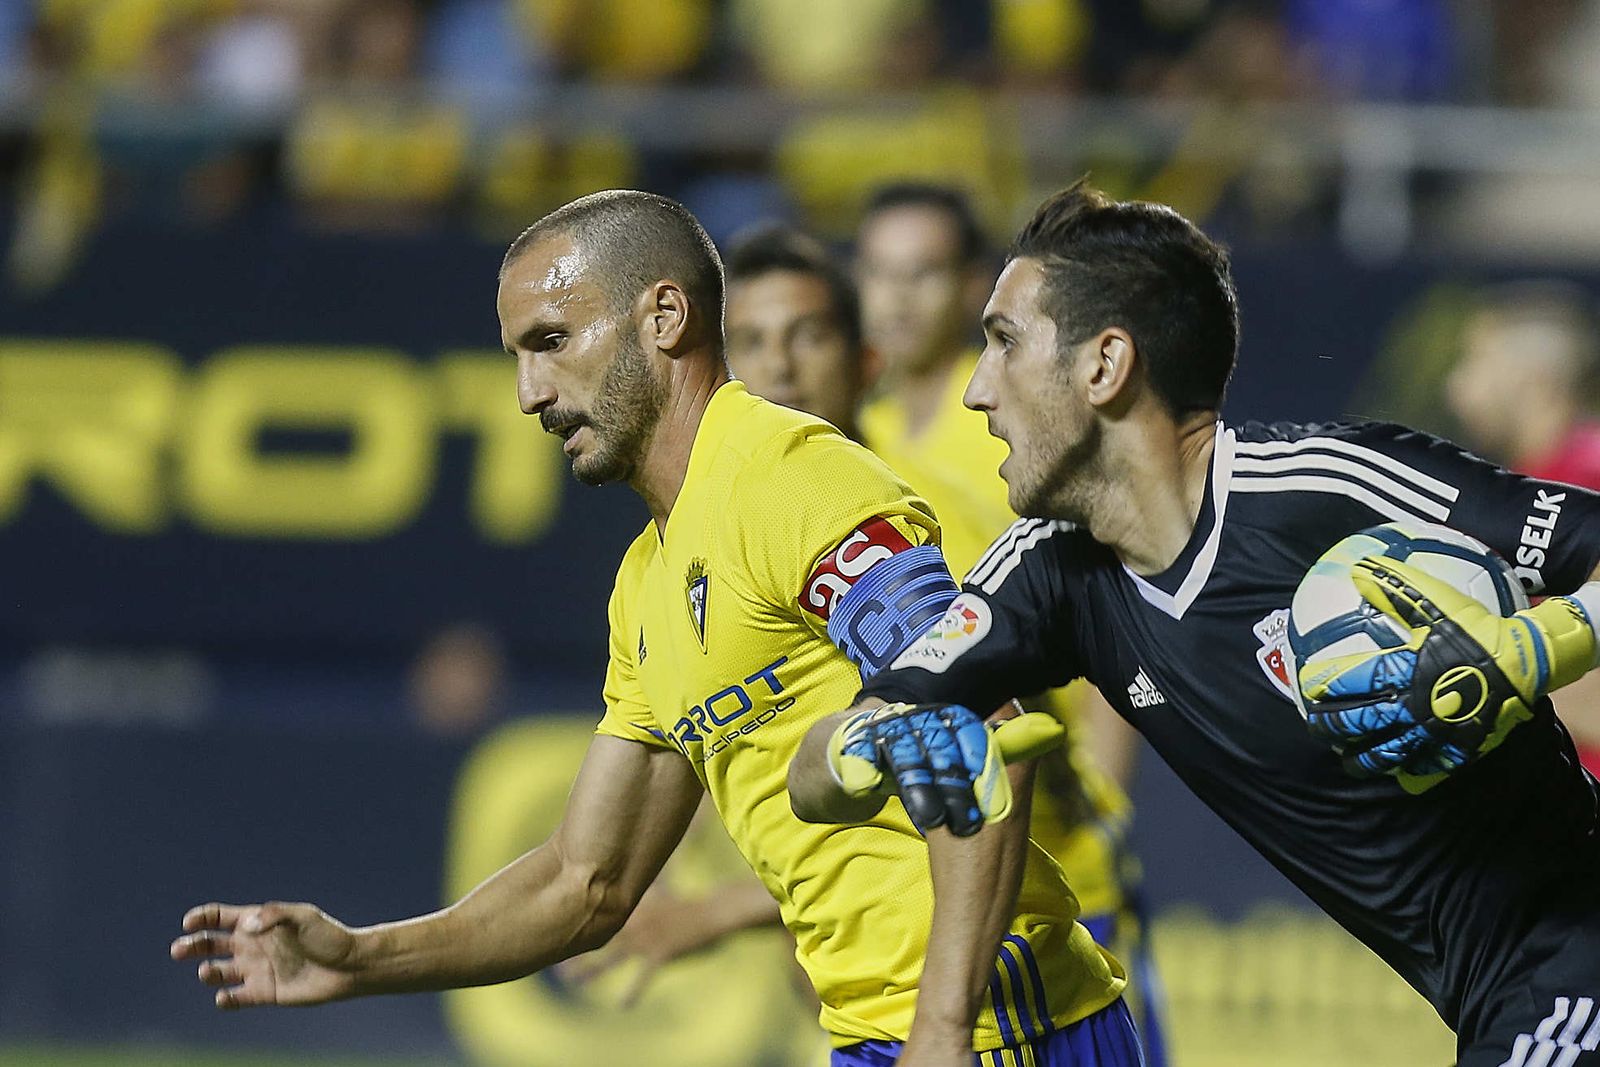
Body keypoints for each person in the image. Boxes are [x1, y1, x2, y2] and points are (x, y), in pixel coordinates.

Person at [169, 190, 1141, 1067]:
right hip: (885, 1031)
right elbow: (584, 881)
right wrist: (357, 957)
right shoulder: (648, 581)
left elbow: (976, 733)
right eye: (516, 355)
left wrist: (940, 1030)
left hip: (1000, 1027)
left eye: (552, 340)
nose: (530, 392)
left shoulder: (788, 476)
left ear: (664, 316)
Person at [789, 180, 1600, 1067]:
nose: (978, 389)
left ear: (1104, 366)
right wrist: (867, 745)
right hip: (1493, 996)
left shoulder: (1328, 486)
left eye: (1005, 342)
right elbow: (819, 770)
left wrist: (1535, 646)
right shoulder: (1048, 573)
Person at [855, 184, 1166, 1064]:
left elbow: (1104, 604)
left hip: (1061, 860)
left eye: (922, 273)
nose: (897, 297)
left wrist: (1101, 798)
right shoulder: (851, 437)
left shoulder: (1018, 420)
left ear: (969, 287)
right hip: (929, 864)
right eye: (878, 272)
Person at [1446, 280, 1600, 773]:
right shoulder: (1523, 487)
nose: (1456, 387)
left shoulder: (1588, 482)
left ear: (1532, 379)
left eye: (1476, 361)